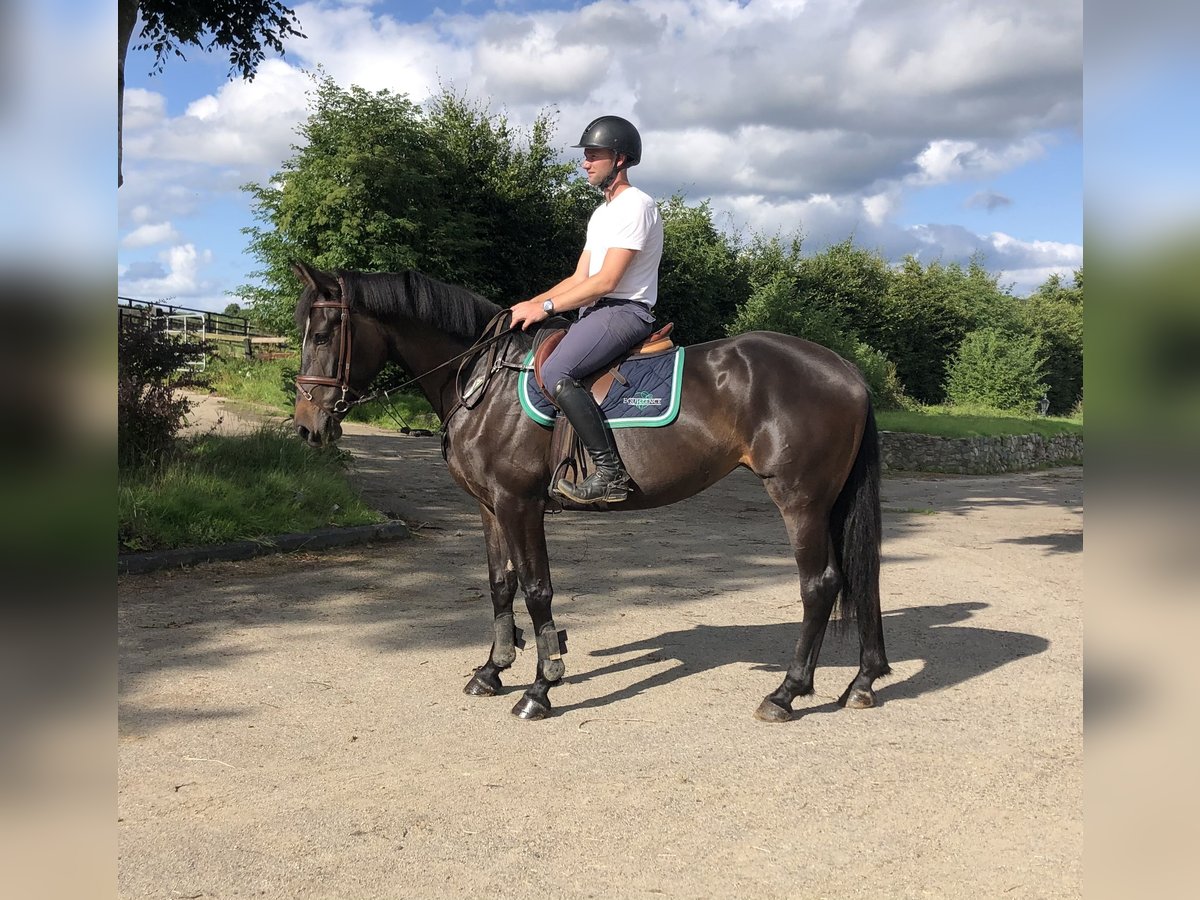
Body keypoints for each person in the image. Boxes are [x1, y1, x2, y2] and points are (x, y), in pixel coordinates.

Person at [510, 115, 664, 506]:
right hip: (595, 311)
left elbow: (606, 282)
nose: (585, 162)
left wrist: (546, 306)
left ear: (621, 159)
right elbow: (580, 277)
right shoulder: (601, 214)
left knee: (558, 370)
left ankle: (610, 473)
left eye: (594, 155)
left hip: (625, 311)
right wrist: (532, 304)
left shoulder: (636, 205)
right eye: (586, 155)